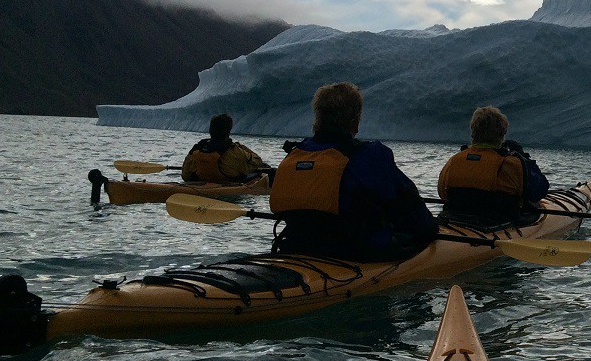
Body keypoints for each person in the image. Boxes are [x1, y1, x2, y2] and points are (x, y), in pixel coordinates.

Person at [268, 82, 438, 259]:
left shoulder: (295, 156)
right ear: (355, 122)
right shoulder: (370, 156)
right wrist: (431, 228)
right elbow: (410, 207)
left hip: (295, 246)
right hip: (357, 252)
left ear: (317, 119)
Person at [437, 106, 550, 227]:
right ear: (502, 134)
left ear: (473, 132)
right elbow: (539, 191)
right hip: (496, 224)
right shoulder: (510, 164)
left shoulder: (454, 161)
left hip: (454, 219)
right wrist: (524, 158)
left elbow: (442, 194)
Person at [181, 113, 269, 183]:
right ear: (228, 131)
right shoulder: (234, 151)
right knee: (264, 167)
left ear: (211, 130)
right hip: (228, 182)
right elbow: (257, 161)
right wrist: (242, 147)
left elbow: (185, 175)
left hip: (200, 182)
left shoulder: (197, 149)